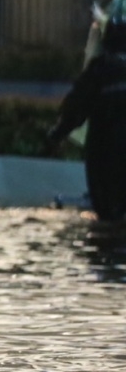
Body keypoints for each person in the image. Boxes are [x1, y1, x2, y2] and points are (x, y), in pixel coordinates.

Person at [45, 20, 126, 222]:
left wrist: (56, 135)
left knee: (107, 213)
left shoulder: (98, 71)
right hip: (108, 152)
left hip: (104, 154)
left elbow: (75, 108)